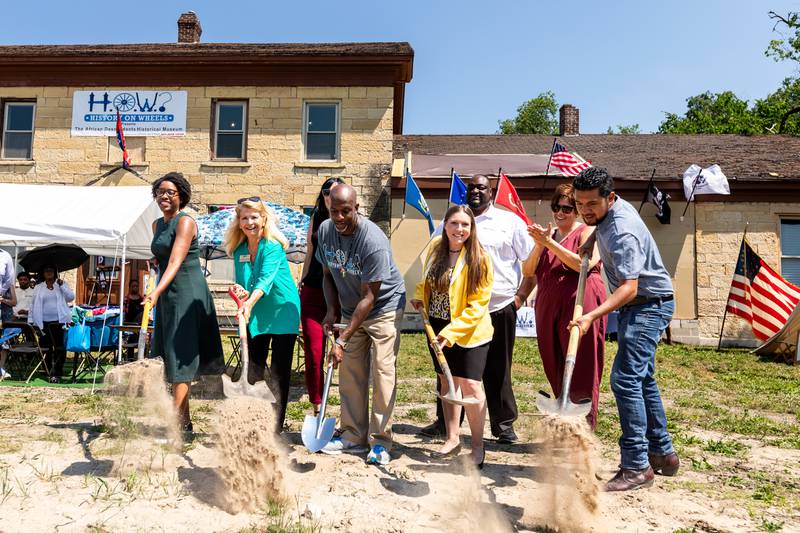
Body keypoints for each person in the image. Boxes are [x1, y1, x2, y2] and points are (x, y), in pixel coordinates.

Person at [570, 167, 678, 492]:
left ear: (609, 198)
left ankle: (636, 466)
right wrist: (589, 240)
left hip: (647, 303)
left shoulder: (622, 233)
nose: (585, 210)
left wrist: (591, 316)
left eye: (592, 204)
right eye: (579, 203)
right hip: (645, 302)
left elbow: (629, 288)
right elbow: (600, 222)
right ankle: (662, 453)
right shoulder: (611, 212)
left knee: (625, 379)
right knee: (642, 378)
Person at [423, 175, 535, 443]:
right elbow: (434, 258)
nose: (475, 191)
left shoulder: (510, 223)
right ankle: (446, 424)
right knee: (451, 370)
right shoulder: (452, 221)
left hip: (499, 307)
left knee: (498, 369)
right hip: (458, 312)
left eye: (481, 187)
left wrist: (520, 297)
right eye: (471, 187)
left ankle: (503, 425)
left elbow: (531, 263)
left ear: (491, 191)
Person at [317, 184, 406, 466]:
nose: (340, 217)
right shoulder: (325, 231)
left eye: (346, 211)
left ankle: (380, 442)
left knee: (382, 372)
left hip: (383, 308)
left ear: (357, 208)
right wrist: (331, 311)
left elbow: (370, 296)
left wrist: (342, 339)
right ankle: (353, 436)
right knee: (351, 373)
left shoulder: (373, 241)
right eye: (335, 212)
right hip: (347, 307)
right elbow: (327, 274)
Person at [411, 205, 494, 468]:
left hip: (469, 332)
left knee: (470, 386)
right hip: (435, 326)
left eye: (465, 225)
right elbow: (428, 281)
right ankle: (452, 437)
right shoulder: (436, 248)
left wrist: (451, 333)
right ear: (445, 225)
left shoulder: (480, 258)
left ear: (472, 228)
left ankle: (478, 446)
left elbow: (478, 305)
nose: (460, 230)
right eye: (455, 224)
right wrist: (419, 295)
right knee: (446, 383)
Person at [145, 172, 225, 438]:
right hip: (166, 292)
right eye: (160, 191)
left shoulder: (186, 221)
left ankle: (177, 425)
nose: (164, 196)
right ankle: (184, 421)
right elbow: (162, 258)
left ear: (181, 196)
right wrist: (154, 283)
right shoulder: (157, 224)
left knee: (181, 355)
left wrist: (156, 290)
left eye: (171, 192)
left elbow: (176, 260)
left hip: (188, 291)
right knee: (169, 354)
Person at [524, 184, 606, 430]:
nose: (560, 213)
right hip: (549, 306)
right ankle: (564, 417)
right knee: (553, 362)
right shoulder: (549, 236)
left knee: (581, 363)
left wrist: (548, 243)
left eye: (567, 208)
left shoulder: (587, 231)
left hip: (579, 302)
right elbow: (528, 271)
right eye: (556, 207)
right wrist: (540, 244)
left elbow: (583, 263)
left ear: (577, 211)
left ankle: (583, 426)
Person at [225, 197, 301, 432]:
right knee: (253, 367)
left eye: (254, 217)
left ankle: (275, 426)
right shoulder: (239, 250)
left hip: (282, 309)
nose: (249, 222)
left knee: (279, 370)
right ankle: (255, 418)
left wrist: (249, 302)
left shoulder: (273, 246)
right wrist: (240, 292)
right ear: (239, 222)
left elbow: (265, 281)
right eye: (244, 218)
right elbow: (246, 283)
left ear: (264, 219)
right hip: (256, 310)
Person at [299, 177, 345, 416]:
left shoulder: (350, 220)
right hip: (314, 289)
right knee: (314, 351)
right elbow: (310, 250)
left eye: (336, 191)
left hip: (343, 294)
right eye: (327, 191)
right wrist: (303, 277)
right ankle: (318, 407)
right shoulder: (316, 217)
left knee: (347, 352)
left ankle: (350, 412)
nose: (331, 195)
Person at [28, 266, 74, 383]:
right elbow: (32, 305)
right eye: (46, 271)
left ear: (55, 273)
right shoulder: (39, 287)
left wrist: (63, 285)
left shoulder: (61, 285)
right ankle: (48, 370)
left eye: (51, 271)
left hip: (60, 322)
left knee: (59, 347)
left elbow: (71, 298)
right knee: (46, 348)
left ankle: (58, 371)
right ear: (43, 273)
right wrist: (31, 321)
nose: (48, 273)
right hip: (43, 323)